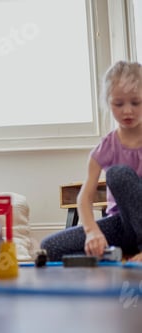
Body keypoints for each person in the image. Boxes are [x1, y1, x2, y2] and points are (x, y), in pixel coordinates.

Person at [41, 61, 142, 262]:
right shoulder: (106, 146)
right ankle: (117, 255)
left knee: (118, 174)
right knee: (49, 247)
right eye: (118, 104)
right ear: (108, 102)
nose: (127, 111)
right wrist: (92, 232)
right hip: (121, 225)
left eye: (136, 102)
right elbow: (84, 198)